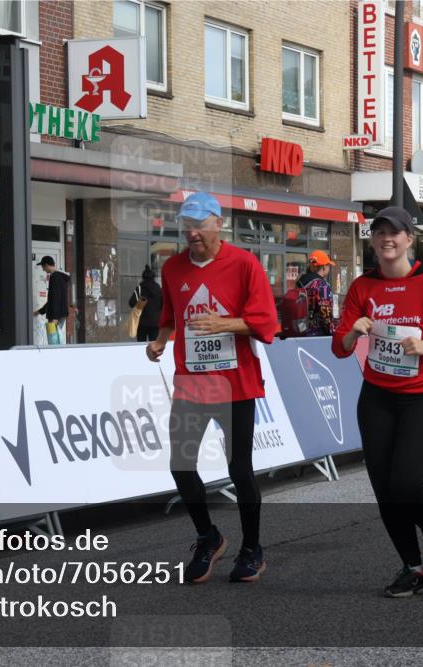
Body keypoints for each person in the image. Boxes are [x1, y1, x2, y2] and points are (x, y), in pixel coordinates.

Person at [332, 206, 423, 598]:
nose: (386, 239)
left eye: (394, 233)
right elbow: (339, 347)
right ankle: (413, 567)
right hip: (377, 397)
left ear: (409, 238)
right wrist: (353, 333)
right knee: (385, 489)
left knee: (407, 483)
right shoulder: (363, 287)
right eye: (379, 233)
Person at [145, 192, 278, 584]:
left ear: (219, 223)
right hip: (193, 383)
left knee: (240, 469)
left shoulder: (244, 264)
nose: (192, 233)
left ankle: (252, 549)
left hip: (236, 383)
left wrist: (226, 324)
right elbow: (171, 316)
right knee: (181, 464)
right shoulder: (172, 268)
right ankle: (209, 537)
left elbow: (266, 322)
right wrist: (160, 340)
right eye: (186, 225)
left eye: (200, 224)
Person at [281, 250, 336, 338]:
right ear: (324, 267)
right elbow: (326, 315)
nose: (329, 268)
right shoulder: (322, 286)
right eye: (328, 265)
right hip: (317, 336)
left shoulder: (300, 282)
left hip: (301, 331)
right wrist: (333, 332)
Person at [33, 255, 70, 345]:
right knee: (57, 339)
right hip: (60, 314)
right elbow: (54, 299)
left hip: (55, 315)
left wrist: (54, 317)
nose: (43, 269)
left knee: (53, 342)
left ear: (46, 265)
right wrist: (40, 311)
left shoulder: (55, 278)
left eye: (43, 266)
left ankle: (55, 357)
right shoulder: (61, 277)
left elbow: (55, 298)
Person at [128, 265, 162, 342]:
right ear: (153, 277)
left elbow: (131, 303)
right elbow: (163, 304)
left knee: (140, 346)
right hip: (155, 323)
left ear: (143, 277)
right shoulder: (158, 289)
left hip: (142, 323)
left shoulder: (140, 288)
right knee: (154, 345)